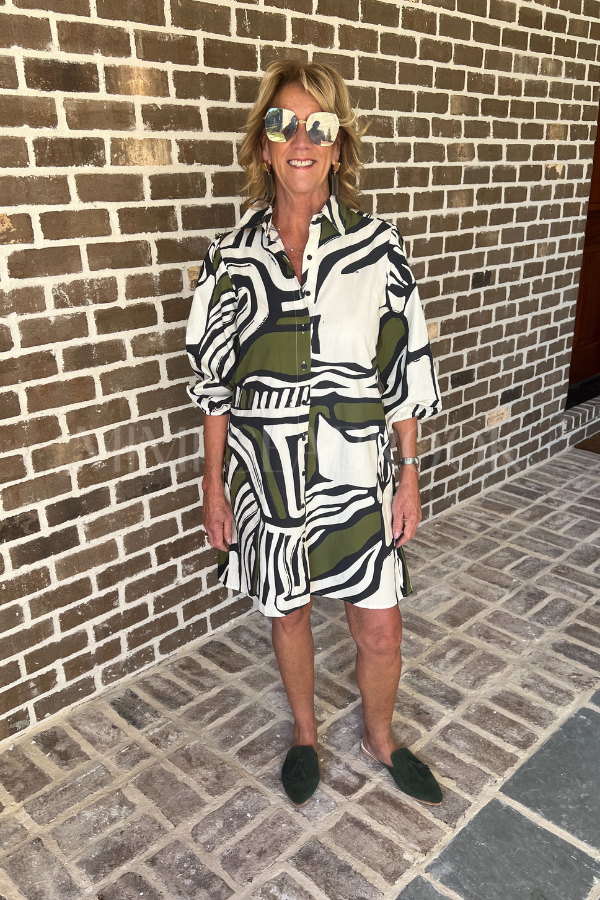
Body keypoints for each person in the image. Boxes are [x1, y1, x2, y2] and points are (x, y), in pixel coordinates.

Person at [186, 61, 443, 807]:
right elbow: (214, 384)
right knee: (289, 611)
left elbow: (403, 372)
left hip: (356, 477)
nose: (301, 140)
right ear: (263, 144)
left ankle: (380, 738)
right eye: (284, 124)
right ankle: (305, 732)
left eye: (319, 126)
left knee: (381, 629)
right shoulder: (230, 258)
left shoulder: (377, 248)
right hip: (265, 477)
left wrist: (408, 473)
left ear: (338, 145)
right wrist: (213, 484)